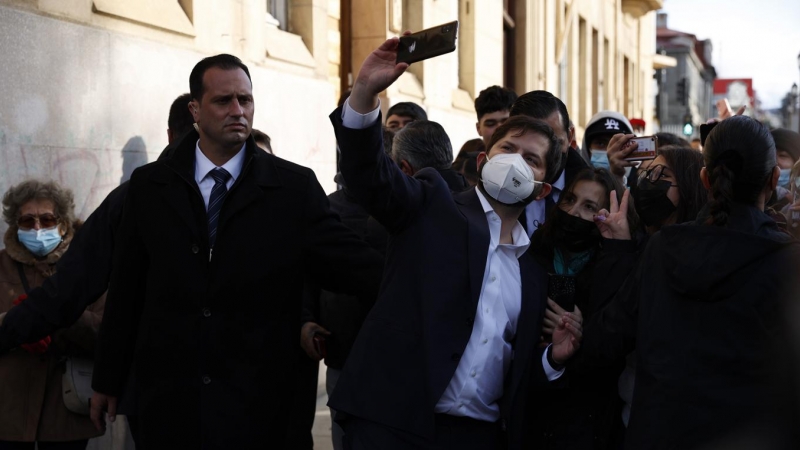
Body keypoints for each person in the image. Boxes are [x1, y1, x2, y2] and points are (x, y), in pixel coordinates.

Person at [89, 54, 384, 448]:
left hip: (262, 407)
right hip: (172, 405)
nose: (237, 111)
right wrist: (108, 380)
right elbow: (127, 288)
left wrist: (423, 271)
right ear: (195, 109)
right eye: (223, 101)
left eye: (245, 100)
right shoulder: (150, 187)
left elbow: (350, 265)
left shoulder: (292, 189)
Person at [328, 36, 582, 450]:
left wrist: (553, 359)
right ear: (484, 161)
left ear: (542, 190)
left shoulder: (535, 272)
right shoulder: (431, 203)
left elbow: (514, 369)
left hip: (476, 436)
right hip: (392, 425)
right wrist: (364, 94)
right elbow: (369, 177)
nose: (516, 161)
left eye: (531, 159)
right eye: (508, 149)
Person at [587, 115, 800, 449]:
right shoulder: (787, 260)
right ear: (774, 179)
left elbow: (606, 336)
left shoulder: (664, 246)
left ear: (704, 177)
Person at [303, 116, 471, 450]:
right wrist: (307, 315)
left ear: (403, 169)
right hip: (349, 351)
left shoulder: (431, 213)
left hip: (412, 366)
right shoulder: (334, 206)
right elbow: (311, 266)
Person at [526, 168, 639, 449]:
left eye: (589, 207)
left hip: (586, 423)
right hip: (529, 414)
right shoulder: (531, 252)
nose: (574, 212)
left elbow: (614, 343)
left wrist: (581, 331)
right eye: (570, 200)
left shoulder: (618, 264)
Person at [0, 180, 104, 449]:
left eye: (47, 219)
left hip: (65, 410)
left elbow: (108, 331)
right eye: (27, 221)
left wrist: (51, 322)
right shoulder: (1, 267)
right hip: (8, 408)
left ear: (63, 223)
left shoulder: (87, 269)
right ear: (15, 225)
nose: (37, 229)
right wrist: (15, 327)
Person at [509, 90, 590, 234]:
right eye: (532, 147)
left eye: (554, 143)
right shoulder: (494, 184)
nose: (545, 156)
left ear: (569, 137)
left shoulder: (592, 189)